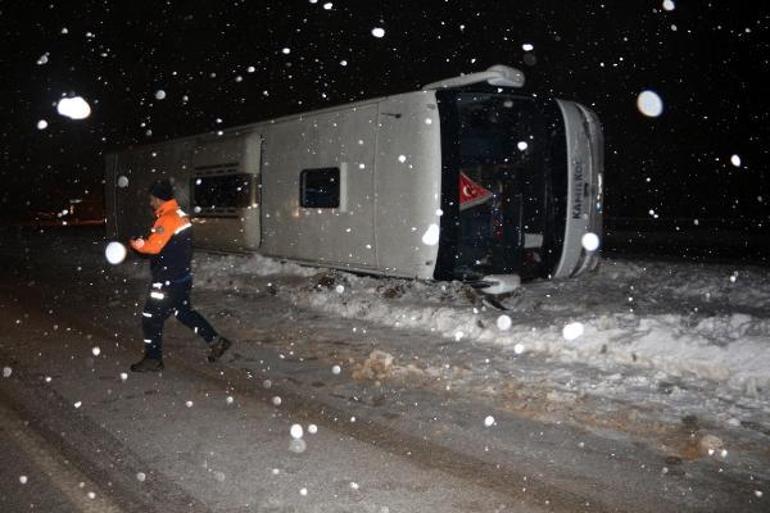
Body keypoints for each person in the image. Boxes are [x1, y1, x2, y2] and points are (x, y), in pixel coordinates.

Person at [128, 179, 231, 372]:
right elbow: (168, 242)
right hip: (181, 276)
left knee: (150, 318)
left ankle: (153, 359)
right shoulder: (180, 214)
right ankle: (216, 341)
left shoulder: (167, 218)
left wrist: (136, 243)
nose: (150, 203)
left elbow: (153, 246)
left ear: (159, 199)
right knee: (183, 312)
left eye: (152, 199)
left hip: (167, 280)